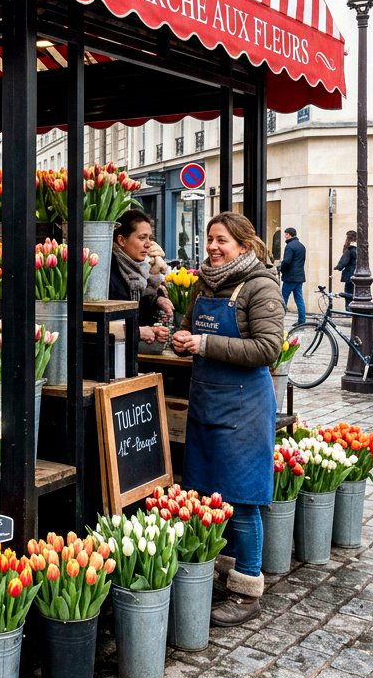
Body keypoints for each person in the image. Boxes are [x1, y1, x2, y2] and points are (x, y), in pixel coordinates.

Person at [172, 212, 284, 626]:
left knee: (242, 498)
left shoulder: (261, 286)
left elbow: (268, 349)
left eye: (222, 240)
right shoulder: (203, 284)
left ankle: (246, 590)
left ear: (244, 245)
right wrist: (180, 339)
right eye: (210, 239)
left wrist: (204, 343)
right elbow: (188, 328)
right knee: (204, 493)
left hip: (244, 407)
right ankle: (218, 572)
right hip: (206, 401)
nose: (213, 247)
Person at [109, 209, 174, 347]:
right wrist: (138, 332)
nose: (148, 244)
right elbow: (96, 325)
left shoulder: (143, 270)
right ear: (121, 240)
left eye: (150, 238)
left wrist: (157, 299)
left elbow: (141, 313)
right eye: (142, 238)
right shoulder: (108, 272)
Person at [280, 226, 306, 323]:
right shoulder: (301, 246)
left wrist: (281, 268)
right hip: (299, 277)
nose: (285, 236)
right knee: (299, 299)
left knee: (283, 299)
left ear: (289, 235)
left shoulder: (290, 246)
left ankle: (279, 320)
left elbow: (287, 261)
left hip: (290, 277)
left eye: (286, 234)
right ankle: (302, 321)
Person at [335, 230, 357, 308]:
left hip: (350, 275)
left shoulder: (350, 249)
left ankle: (348, 309)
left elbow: (344, 261)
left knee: (348, 294)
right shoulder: (358, 248)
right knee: (355, 294)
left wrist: (338, 267)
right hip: (357, 274)